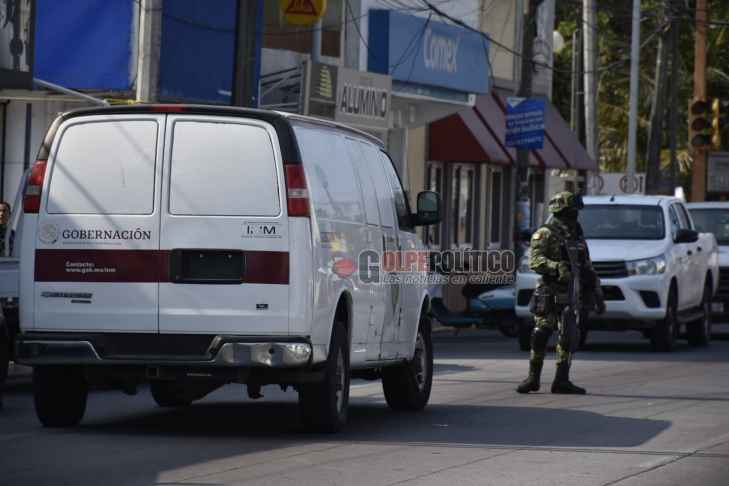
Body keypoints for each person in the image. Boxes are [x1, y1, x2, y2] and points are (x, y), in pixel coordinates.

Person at [516, 191, 606, 395]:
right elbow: (535, 260)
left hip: (574, 293)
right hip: (550, 291)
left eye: (576, 210)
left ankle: (561, 380)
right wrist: (557, 267)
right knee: (541, 333)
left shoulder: (578, 235)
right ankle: (532, 379)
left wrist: (598, 293)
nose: (574, 214)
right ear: (560, 209)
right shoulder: (545, 233)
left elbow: (588, 266)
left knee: (569, 336)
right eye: (570, 210)